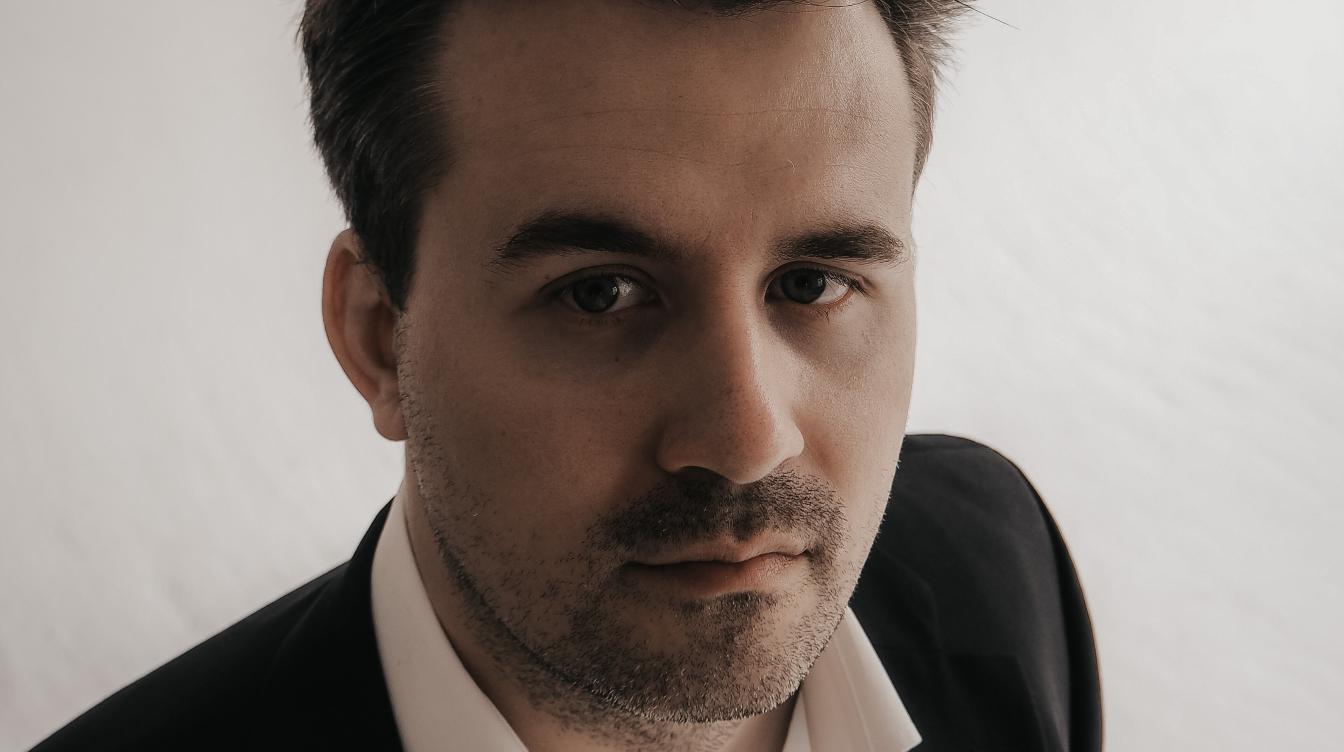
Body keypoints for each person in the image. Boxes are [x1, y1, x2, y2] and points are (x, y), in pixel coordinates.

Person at [32, 1, 1101, 750]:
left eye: (812, 283)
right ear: (379, 335)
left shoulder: (998, 564)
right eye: (600, 293)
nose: (745, 437)